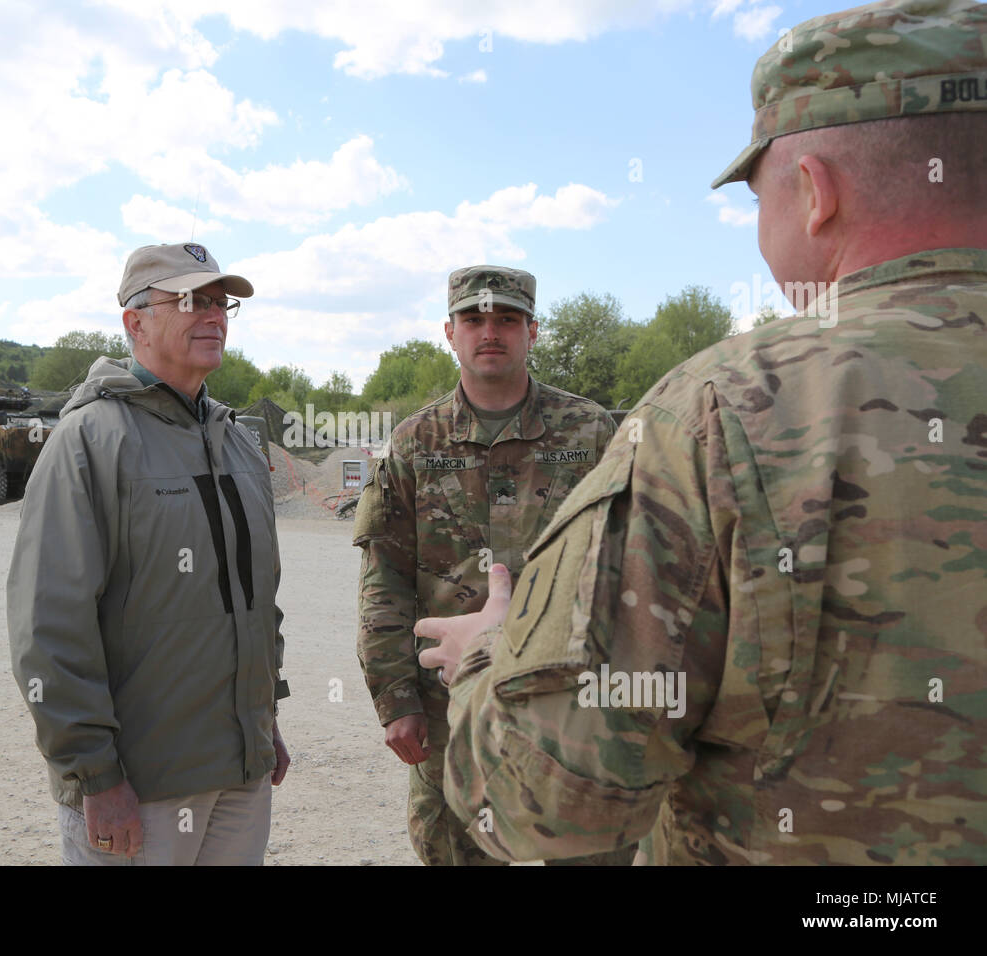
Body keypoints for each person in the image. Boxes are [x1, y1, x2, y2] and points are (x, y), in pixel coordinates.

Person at [420, 0, 987, 865]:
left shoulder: (723, 411)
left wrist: (484, 652)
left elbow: (552, 804)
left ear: (814, 192)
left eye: (757, 193)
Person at [8, 242, 290, 866]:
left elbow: (255, 599)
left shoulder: (238, 443)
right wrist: (94, 776)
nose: (213, 315)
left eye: (222, 302)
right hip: (141, 784)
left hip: (240, 771)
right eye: (190, 300)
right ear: (135, 321)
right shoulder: (89, 441)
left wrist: (264, 716)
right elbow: (48, 626)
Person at [353, 265, 624, 865]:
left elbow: (628, 563)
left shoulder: (591, 431)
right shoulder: (415, 442)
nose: (490, 332)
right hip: (452, 703)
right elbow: (386, 579)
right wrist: (395, 697)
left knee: (587, 851)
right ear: (450, 332)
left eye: (506, 319)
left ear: (533, 329)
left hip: (569, 701)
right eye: (473, 319)